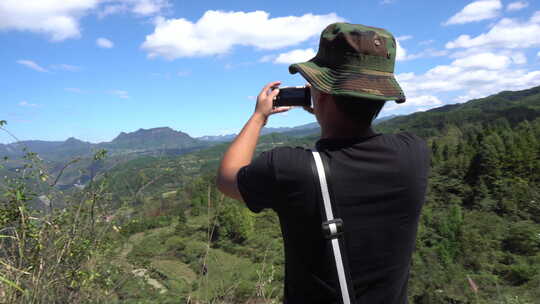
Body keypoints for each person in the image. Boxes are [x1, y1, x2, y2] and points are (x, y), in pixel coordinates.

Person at [217, 22, 430, 304]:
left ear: (322, 91)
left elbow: (227, 178)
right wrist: (325, 105)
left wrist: (259, 117)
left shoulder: (289, 168)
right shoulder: (413, 153)